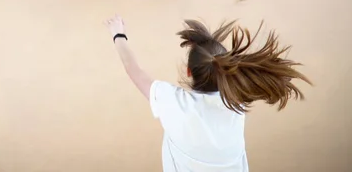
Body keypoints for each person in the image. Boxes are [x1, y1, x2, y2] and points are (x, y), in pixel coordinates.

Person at [104, 15, 312, 172]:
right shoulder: (235, 104)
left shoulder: (175, 102)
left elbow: (133, 69)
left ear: (188, 71)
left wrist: (118, 33)